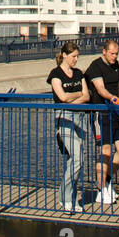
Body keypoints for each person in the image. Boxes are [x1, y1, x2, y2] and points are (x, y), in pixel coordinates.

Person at [47, 42, 89, 213]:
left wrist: (75, 99)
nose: (76, 60)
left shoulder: (79, 73)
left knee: (76, 161)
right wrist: (78, 94)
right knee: (77, 158)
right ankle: (66, 199)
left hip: (79, 117)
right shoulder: (55, 74)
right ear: (64, 55)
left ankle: (69, 196)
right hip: (64, 118)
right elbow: (62, 97)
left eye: (77, 56)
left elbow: (87, 96)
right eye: (73, 56)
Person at [84, 39, 119, 206]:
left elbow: (118, 85)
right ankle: (101, 190)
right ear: (104, 51)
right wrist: (114, 99)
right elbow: (101, 89)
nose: (114, 57)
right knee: (105, 151)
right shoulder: (95, 66)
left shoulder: (116, 64)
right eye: (112, 54)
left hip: (115, 112)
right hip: (100, 113)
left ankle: (106, 180)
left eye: (116, 54)